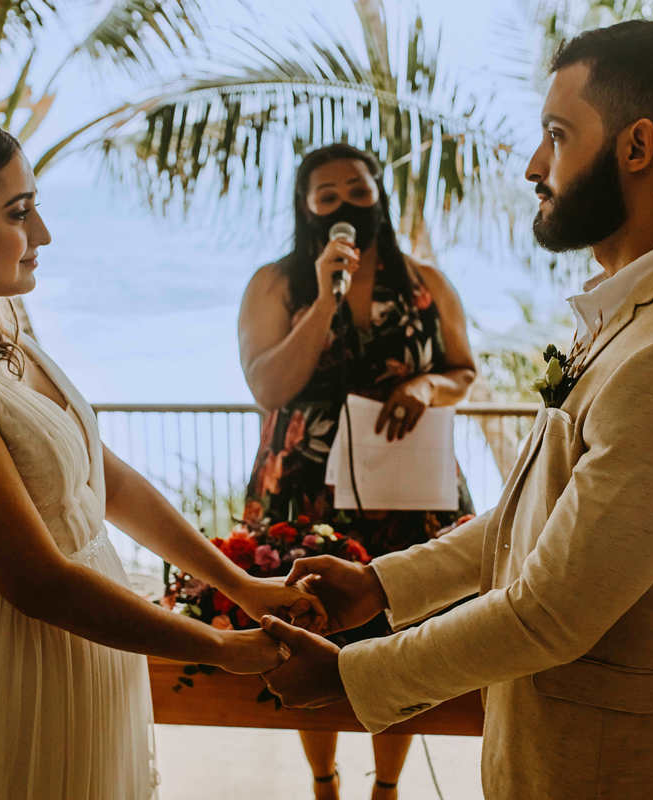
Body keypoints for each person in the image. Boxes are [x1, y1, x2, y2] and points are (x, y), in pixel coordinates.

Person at [259, 20, 653, 800]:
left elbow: (550, 614)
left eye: (557, 135)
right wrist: (382, 587)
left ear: (637, 148)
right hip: (550, 746)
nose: (535, 165)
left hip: (614, 769)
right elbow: (528, 522)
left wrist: (348, 675)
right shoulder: (630, 317)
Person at [0, 99, 321, 800]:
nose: (41, 232)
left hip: (87, 652)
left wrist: (239, 584)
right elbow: (37, 581)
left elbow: (105, 480)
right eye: (17, 213)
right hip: (8, 668)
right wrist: (223, 650)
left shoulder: (3, 321)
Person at [237, 142, 478, 799]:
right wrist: (323, 297)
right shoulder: (275, 284)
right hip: (305, 488)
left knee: (401, 635)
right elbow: (268, 386)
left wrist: (427, 389)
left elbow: (463, 369)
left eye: (358, 189)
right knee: (306, 628)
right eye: (328, 194)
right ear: (307, 207)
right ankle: (323, 781)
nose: (345, 202)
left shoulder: (428, 282)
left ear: (380, 196)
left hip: (409, 486)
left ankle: (388, 787)